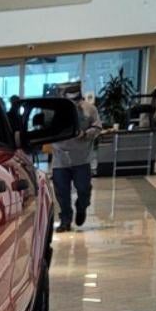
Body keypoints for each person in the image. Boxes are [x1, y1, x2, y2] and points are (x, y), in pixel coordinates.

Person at [51, 81, 101, 233]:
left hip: (81, 159)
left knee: (83, 188)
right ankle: (65, 220)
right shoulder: (56, 110)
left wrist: (85, 134)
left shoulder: (89, 109)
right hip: (60, 159)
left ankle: (82, 206)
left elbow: (97, 127)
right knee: (62, 192)